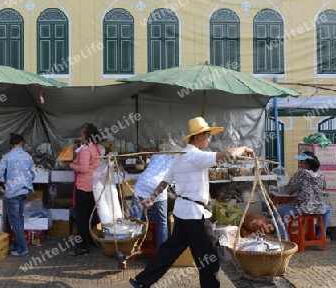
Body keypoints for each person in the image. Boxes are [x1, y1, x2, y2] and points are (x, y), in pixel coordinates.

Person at [129, 117, 255, 288]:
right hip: (196, 216)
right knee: (209, 260)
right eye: (208, 136)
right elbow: (228, 154)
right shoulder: (195, 156)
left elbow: (164, 182)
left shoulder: (180, 158)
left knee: (169, 251)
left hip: (182, 213)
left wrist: (151, 199)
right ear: (198, 136)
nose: (209, 140)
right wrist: (244, 148)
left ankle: (142, 282)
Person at [0, 133, 35, 257]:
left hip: (12, 192)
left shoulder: (6, 157)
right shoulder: (28, 156)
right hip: (24, 191)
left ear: (10, 144)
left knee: (15, 221)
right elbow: (33, 174)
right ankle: (17, 244)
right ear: (21, 143)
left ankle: (22, 249)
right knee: (19, 219)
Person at [274, 151, 331, 241]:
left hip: (302, 208)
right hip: (318, 207)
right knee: (327, 209)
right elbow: (323, 187)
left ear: (305, 163)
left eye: (300, 162)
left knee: (276, 213)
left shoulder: (301, 174)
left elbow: (289, 190)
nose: (300, 164)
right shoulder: (322, 175)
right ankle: (321, 235)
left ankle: (285, 239)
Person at [69, 123, 102, 256]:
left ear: (87, 136)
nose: (80, 137)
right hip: (93, 185)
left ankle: (82, 247)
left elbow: (83, 169)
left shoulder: (85, 149)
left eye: (82, 135)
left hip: (83, 186)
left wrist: (70, 164)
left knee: (82, 218)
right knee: (92, 216)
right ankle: (94, 240)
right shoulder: (96, 147)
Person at [130, 154, 174, 247]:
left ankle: (129, 247)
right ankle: (161, 253)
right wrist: (152, 198)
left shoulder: (156, 156)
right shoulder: (176, 161)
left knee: (134, 220)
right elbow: (168, 182)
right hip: (160, 185)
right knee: (162, 221)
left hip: (142, 183)